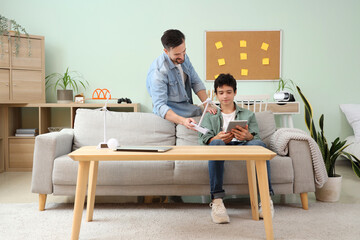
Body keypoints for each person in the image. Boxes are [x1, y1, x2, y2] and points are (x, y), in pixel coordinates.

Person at [199, 73, 274, 224]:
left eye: (228, 92)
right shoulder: (210, 115)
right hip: (221, 147)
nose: (225, 96)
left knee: (260, 146)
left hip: (243, 145)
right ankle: (217, 201)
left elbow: (256, 138)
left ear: (235, 92)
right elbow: (204, 140)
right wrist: (217, 138)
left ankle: (266, 200)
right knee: (215, 144)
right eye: (221, 93)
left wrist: (248, 136)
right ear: (216, 94)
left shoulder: (248, 114)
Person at [146, 29, 215, 130]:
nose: (182, 57)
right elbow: (160, 106)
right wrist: (183, 121)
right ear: (166, 51)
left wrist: (206, 104)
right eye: (177, 54)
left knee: (212, 115)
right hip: (171, 111)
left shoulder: (184, 58)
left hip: (187, 107)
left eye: (184, 51)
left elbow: (196, 82)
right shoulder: (159, 72)